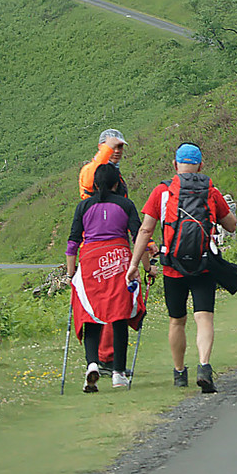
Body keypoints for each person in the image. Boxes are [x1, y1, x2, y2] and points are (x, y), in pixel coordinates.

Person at [128, 143, 237, 392]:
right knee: (204, 317)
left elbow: (145, 230)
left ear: (175, 165)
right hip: (203, 265)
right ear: (201, 165)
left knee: (176, 321)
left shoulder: (163, 191)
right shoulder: (211, 190)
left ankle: (179, 373)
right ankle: (204, 366)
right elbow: (231, 225)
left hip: (172, 267)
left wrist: (135, 265)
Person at [66, 162, 148, 391]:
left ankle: (92, 363)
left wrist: (71, 272)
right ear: (117, 183)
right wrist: (147, 266)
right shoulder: (126, 204)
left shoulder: (83, 206)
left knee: (91, 312)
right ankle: (118, 373)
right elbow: (139, 236)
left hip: (91, 261)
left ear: (94, 184)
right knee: (119, 314)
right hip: (119, 259)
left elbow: (73, 242)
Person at [80, 129, 127, 200]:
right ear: (100, 147)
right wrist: (107, 149)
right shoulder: (88, 170)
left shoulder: (114, 171)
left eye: (120, 146)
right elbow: (90, 182)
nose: (117, 151)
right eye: (112, 147)